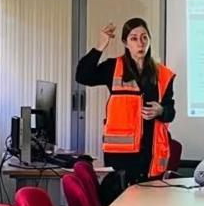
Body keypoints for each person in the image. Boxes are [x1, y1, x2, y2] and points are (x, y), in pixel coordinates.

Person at [75, 17, 176, 186]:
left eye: (144, 37)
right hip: (120, 158)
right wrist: (100, 45)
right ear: (125, 43)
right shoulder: (113, 67)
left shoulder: (163, 74)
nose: (140, 43)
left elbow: (170, 112)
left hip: (150, 155)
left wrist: (161, 111)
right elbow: (82, 76)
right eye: (134, 38)